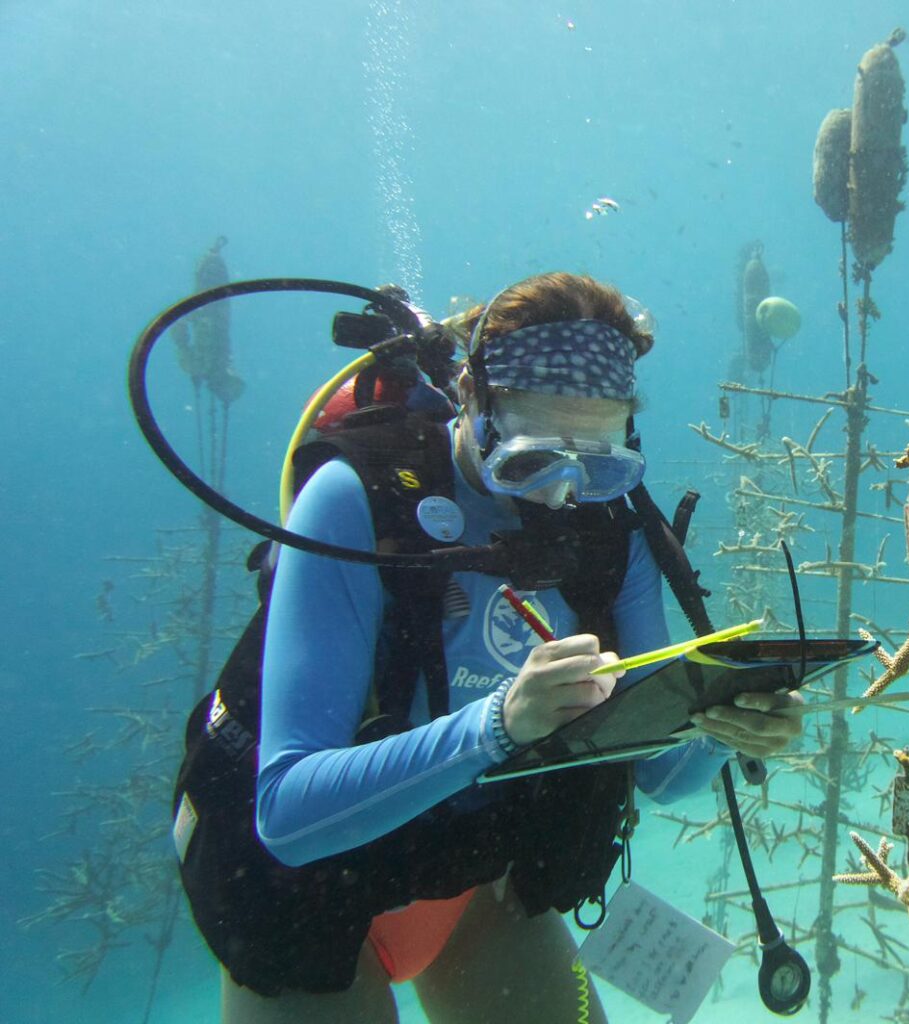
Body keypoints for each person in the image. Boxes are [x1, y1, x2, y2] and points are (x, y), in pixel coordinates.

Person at [227, 272, 802, 1023]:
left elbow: (662, 771)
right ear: (471, 396)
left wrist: (727, 727)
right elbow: (287, 818)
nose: (563, 494)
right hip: (307, 897)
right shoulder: (355, 498)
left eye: (596, 463)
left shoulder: (613, 531)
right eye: (531, 458)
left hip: (473, 885)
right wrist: (499, 724)